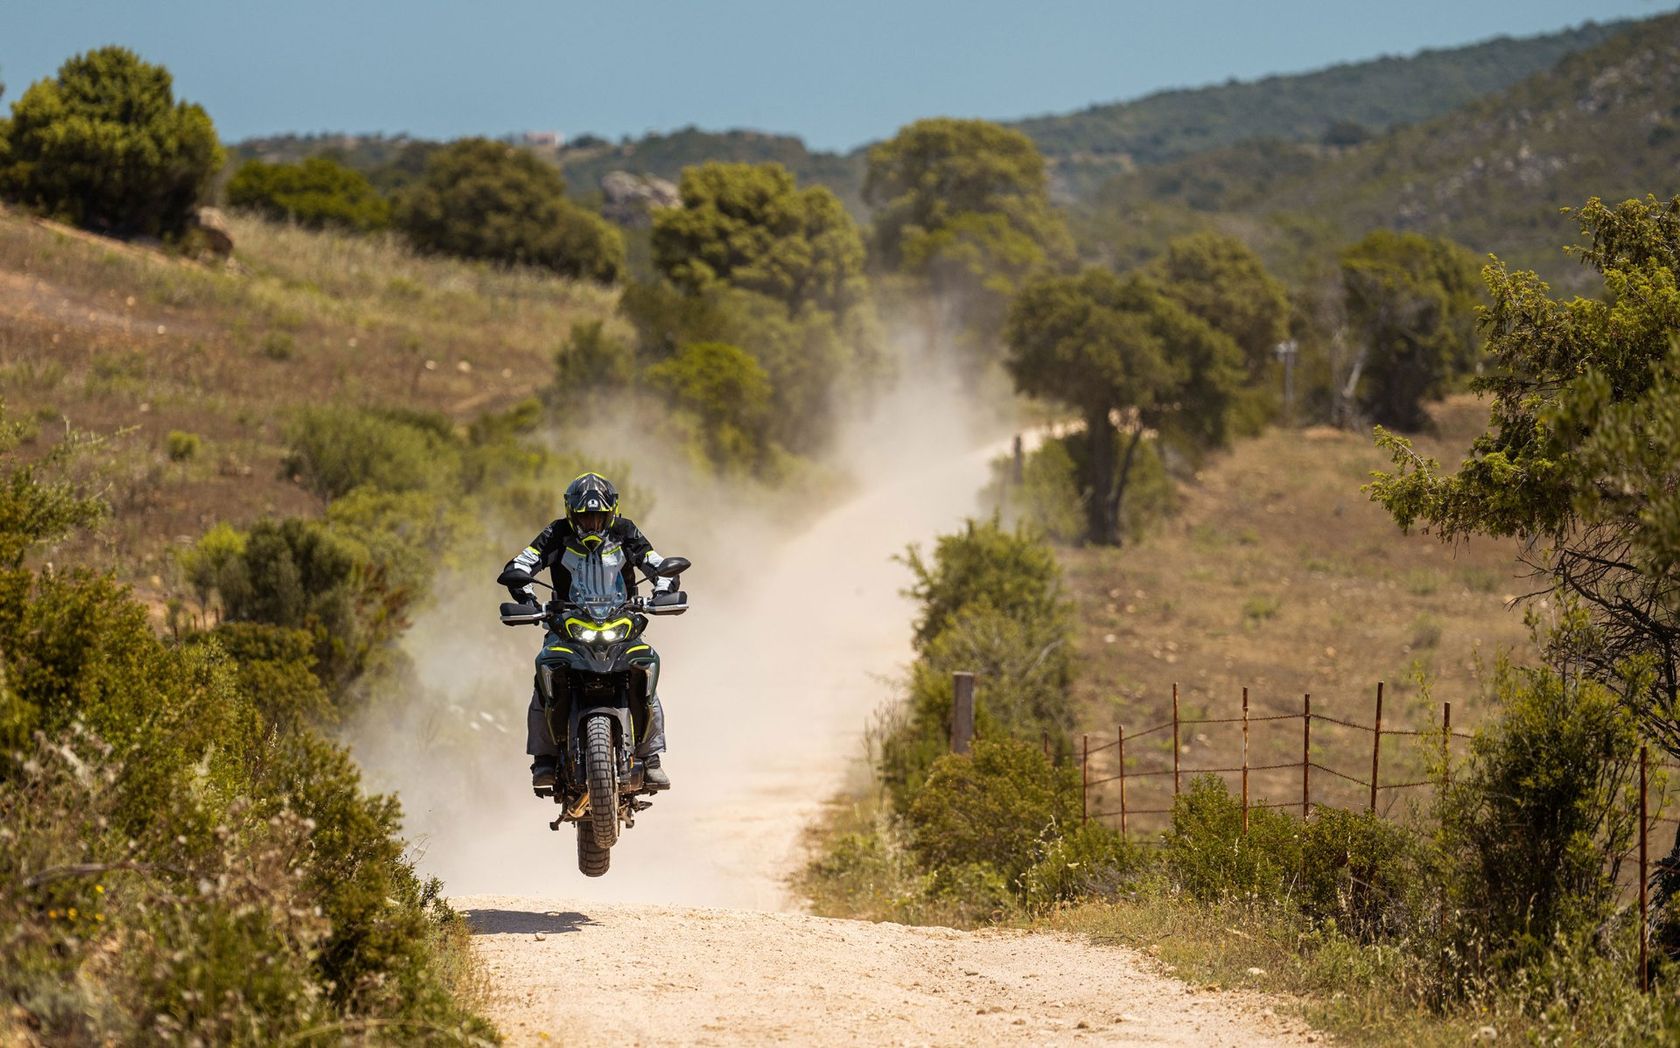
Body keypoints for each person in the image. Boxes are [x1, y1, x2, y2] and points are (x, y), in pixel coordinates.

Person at [500, 472, 674, 791]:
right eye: (585, 516)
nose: (592, 523)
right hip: (567, 629)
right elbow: (519, 566)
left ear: (611, 513)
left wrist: (663, 591)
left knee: (646, 668)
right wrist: (527, 597)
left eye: (598, 516)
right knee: (544, 675)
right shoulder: (556, 533)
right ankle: (545, 759)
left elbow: (657, 564)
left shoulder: (626, 532)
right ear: (572, 514)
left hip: (621, 624)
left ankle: (651, 758)